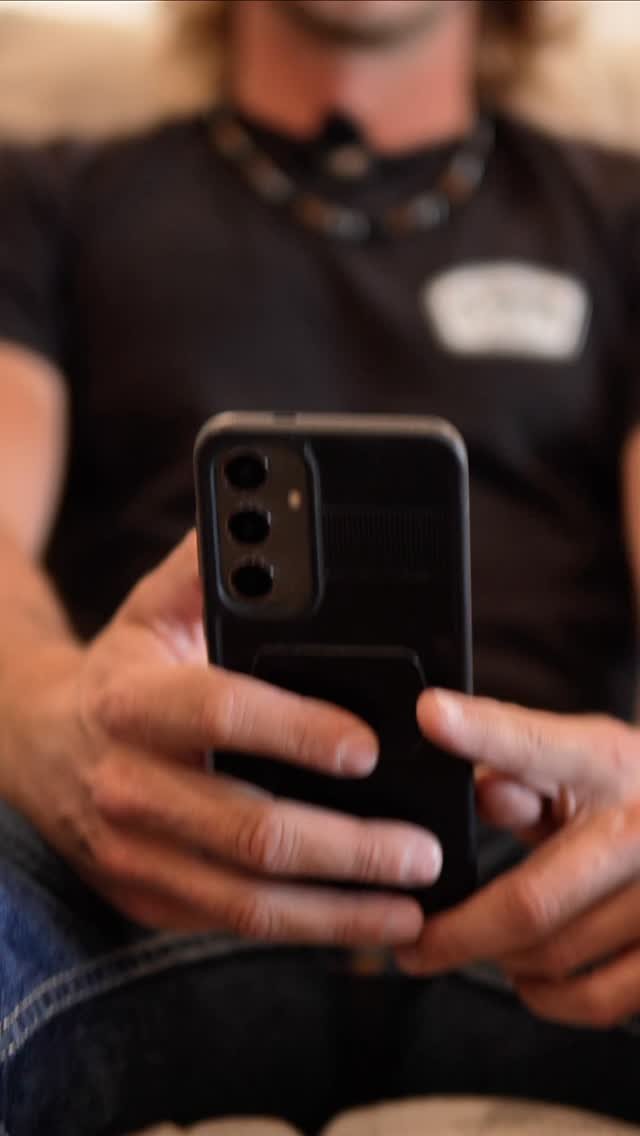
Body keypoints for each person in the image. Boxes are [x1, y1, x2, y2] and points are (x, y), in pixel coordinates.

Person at [1, 0, 640, 1132]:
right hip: (139, 845)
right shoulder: (51, 194)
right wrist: (43, 717)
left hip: (549, 871)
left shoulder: (621, 213)